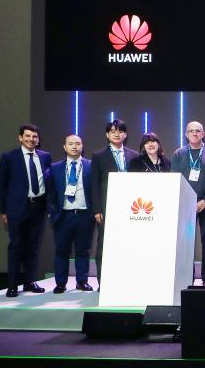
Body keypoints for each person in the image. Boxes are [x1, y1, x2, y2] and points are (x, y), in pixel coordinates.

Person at [0, 124, 52, 297]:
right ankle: (12, 285)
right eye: (27, 136)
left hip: (38, 207)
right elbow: (0, 185)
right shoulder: (9, 157)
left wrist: (49, 206)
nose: (31, 139)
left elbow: (48, 183)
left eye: (34, 136)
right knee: (16, 247)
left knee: (33, 247)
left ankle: (30, 282)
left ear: (38, 139)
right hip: (17, 208)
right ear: (20, 138)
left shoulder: (45, 156)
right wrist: (3, 210)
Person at [172, 121, 205, 286]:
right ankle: (187, 277)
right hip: (185, 205)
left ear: (203, 134)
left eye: (198, 131)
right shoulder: (179, 153)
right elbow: (175, 180)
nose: (194, 133)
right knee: (186, 242)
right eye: (191, 131)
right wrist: (186, 202)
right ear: (186, 134)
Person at [90, 119, 139, 287]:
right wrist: (97, 209)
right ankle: (103, 283)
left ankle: (125, 281)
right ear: (107, 134)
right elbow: (94, 184)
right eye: (113, 131)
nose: (117, 134)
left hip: (130, 208)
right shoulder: (99, 156)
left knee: (128, 244)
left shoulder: (134, 155)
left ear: (125, 134)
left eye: (120, 131)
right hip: (107, 207)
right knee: (104, 245)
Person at [48, 134, 95, 294]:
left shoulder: (91, 166)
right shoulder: (55, 168)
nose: (74, 146)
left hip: (85, 215)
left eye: (77, 143)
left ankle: (82, 282)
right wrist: (52, 212)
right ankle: (60, 283)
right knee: (61, 251)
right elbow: (50, 193)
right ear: (64, 147)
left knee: (83, 250)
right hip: (63, 216)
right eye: (71, 143)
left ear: (82, 146)